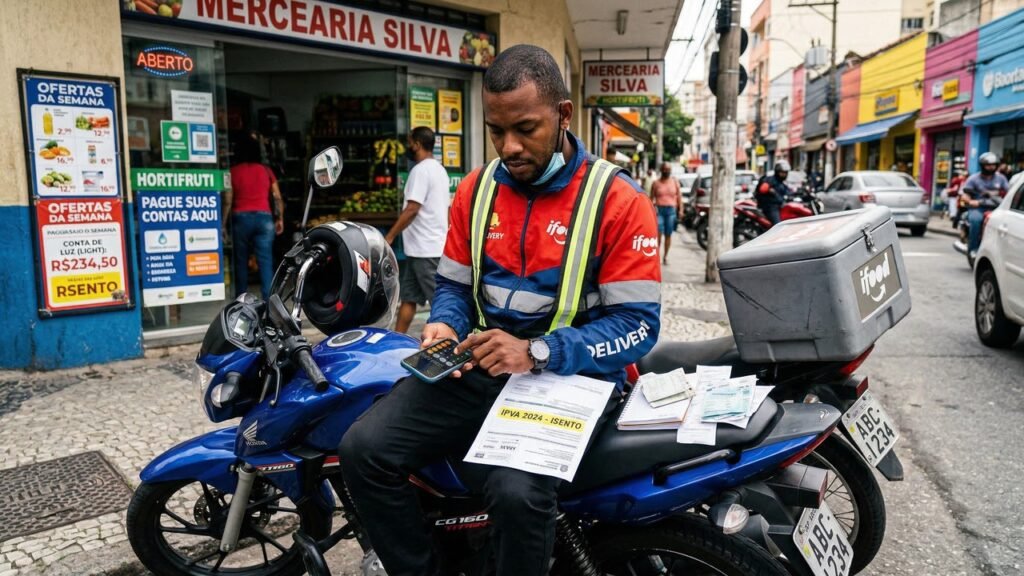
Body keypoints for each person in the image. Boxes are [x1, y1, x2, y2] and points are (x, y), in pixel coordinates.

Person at [339, 44, 661, 576]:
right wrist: (444, 322)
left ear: (563, 115)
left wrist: (537, 351)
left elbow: (638, 329)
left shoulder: (620, 201)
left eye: (526, 128)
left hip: (574, 381)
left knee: (514, 494)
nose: (509, 146)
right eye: (496, 131)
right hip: (480, 369)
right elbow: (452, 287)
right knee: (362, 449)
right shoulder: (475, 189)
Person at [384, 126, 451, 334]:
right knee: (409, 298)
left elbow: (412, 208)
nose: (407, 146)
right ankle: (397, 340)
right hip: (419, 250)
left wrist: (390, 235)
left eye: (409, 141)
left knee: (439, 304)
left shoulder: (420, 171)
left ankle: (451, 346)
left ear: (418, 144)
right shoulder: (439, 170)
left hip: (427, 250)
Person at [224, 134, 284, 300]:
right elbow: (277, 196)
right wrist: (280, 218)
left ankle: (241, 301)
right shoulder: (266, 171)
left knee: (240, 263)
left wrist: (222, 224)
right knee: (265, 262)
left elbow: (228, 200)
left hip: (240, 219)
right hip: (264, 219)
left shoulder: (232, 172)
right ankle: (268, 301)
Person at [961, 152, 1009, 256]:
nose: (991, 167)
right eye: (988, 165)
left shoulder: (1001, 178)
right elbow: (964, 195)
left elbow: (1008, 192)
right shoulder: (973, 179)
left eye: (993, 165)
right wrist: (970, 201)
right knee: (975, 220)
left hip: (997, 208)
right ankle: (973, 249)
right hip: (978, 208)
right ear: (982, 166)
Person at [650, 162, 681, 265]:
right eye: (664, 169)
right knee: (658, 235)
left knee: (668, 234)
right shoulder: (655, 183)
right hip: (659, 211)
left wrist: (681, 210)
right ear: (661, 170)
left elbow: (679, 197)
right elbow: (651, 199)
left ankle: (665, 256)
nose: (666, 171)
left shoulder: (675, 182)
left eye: (668, 169)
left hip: (671, 211)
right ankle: (656, 257)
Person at [755, 161, 790, 225]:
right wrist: (769, 190)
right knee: (778, 225)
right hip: (771, 207)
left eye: (785, 173)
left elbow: (788, 192)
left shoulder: (782, 183)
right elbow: (762, 189)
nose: (784, 174)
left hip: (780, 205)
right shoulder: (770, 180)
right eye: (782, 172)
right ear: (777, 172)